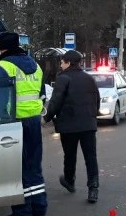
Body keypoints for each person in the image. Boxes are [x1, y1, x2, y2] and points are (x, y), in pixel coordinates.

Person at [0, 31, 47, 216]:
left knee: (16, 170)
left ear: (0, 48)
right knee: (33, 166)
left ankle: (22, 212)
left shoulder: (3, 67)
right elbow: (42, 95)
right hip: (34, 121)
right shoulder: (35, 66)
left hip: (13, 124)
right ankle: (39, 207)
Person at [43, 50, 101, 203]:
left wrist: (47, 117)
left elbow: (56, 101)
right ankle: (93, 188)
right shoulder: (89, 78)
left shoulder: (63, 78)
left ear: (68, 63)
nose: (61, 65)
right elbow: (97, 100)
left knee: (70, 155)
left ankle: (69, 180)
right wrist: (92, 116)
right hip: (88, 125)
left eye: (62, 62)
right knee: (91, 157)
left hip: (68, 125)